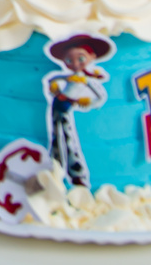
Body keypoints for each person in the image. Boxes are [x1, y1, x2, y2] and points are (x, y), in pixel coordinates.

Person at [43, 35, 111, 190]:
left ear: (92, 57)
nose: (74, 64)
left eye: (81, 59)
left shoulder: (86, 80)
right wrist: (55, 89)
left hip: (67, 106)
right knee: (56, 137)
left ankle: (76, 172)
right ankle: (55, 167)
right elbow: (54, 80)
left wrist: (85, 101)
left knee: (68, 138)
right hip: (58, 104)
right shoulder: (70, 77)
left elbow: (100, 97)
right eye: (69, 60)